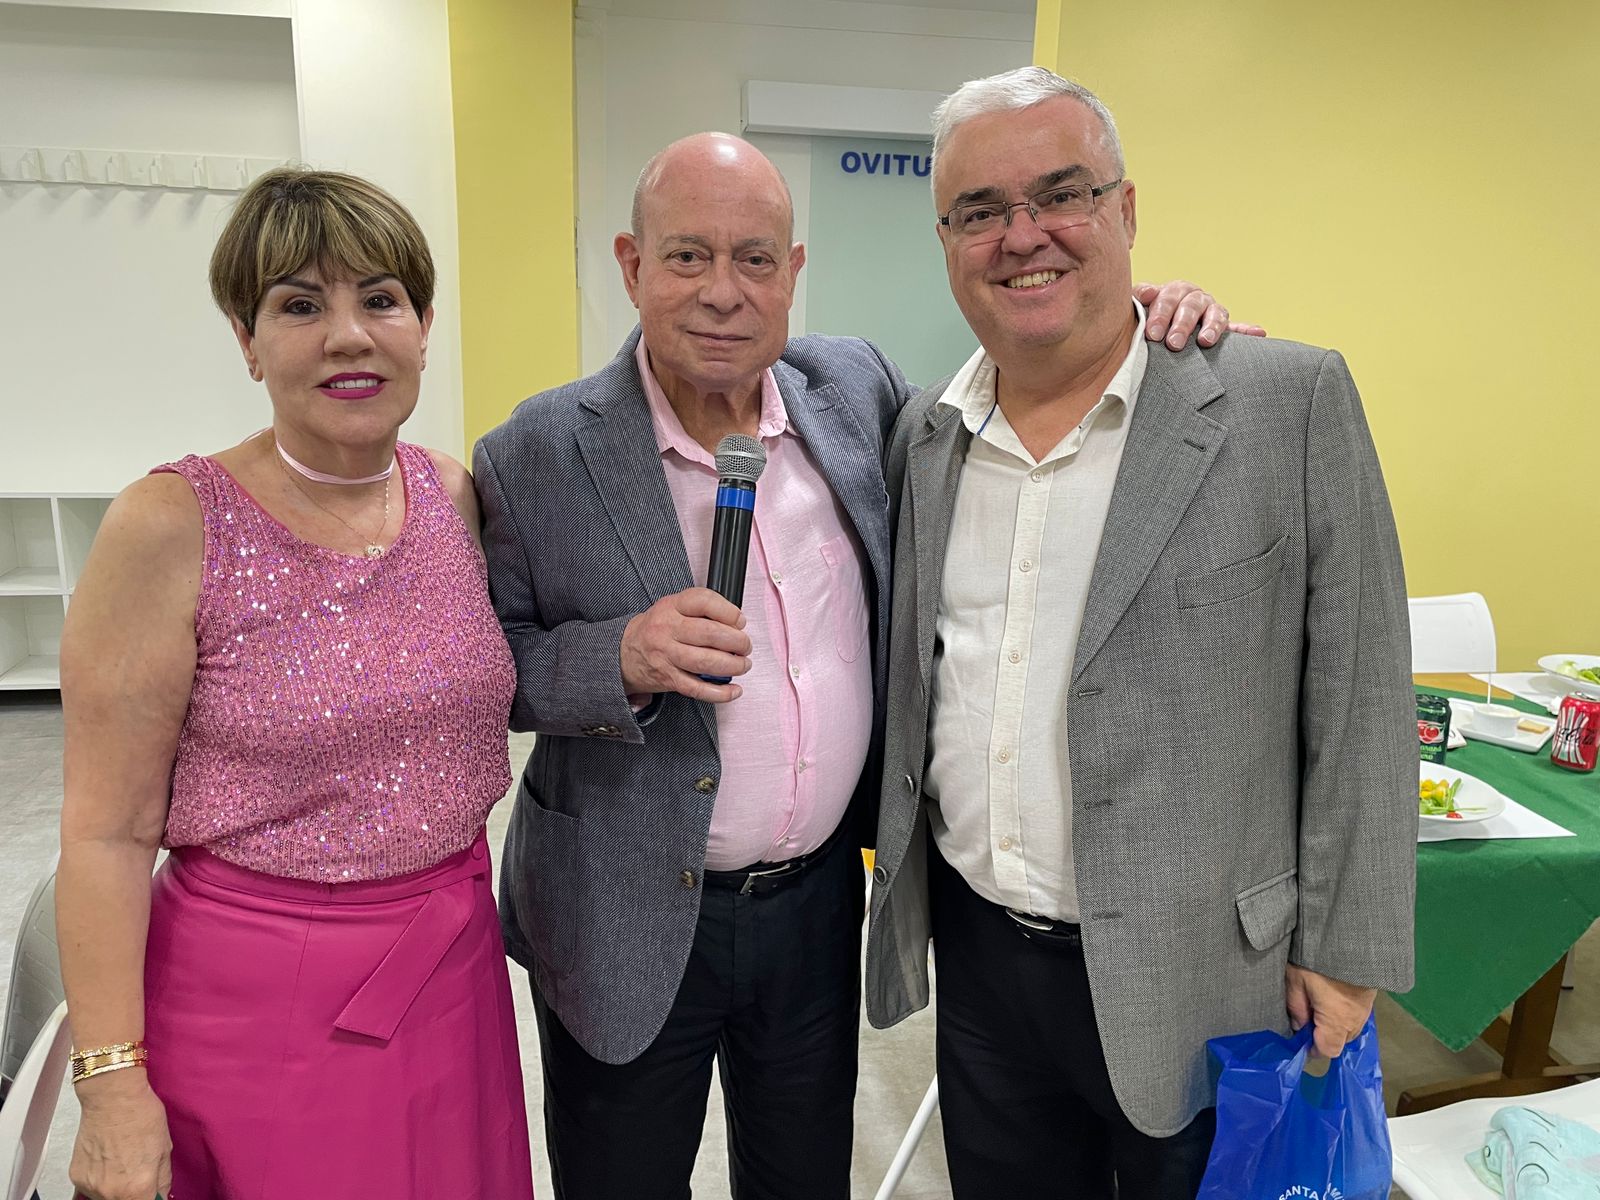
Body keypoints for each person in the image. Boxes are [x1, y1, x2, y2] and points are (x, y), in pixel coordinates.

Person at [475, 130, 1237, 1199]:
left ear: (792, 272)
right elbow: (492, 670)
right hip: (621, 906)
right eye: (687, 257)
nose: (723, 292)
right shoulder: (536, 451)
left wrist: (1128, 322)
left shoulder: (856, 390)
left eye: (754, 259)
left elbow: (1019, 388)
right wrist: (617, 655)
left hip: (817, 905)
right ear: (632, 265)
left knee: (803, 1177)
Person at [864, 66, 1417, 1198]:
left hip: (1207, 973)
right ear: (946, 241)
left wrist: (1347, 953)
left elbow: (1363, 695)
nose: (1023, 235)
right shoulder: (925, 435)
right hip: (981, 959)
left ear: (1125, 209)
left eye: (1061, 193)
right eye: (979, 211)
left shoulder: (1284, 403)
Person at [56, 167, 533, 1200]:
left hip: (451, 974)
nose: (348, 337)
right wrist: (111, 1084)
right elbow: (105, 835)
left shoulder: (452, 494)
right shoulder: (171, 525)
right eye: (301, 306)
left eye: (381, 300)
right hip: (254, 1005)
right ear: (247, 339)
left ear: (423, 327)